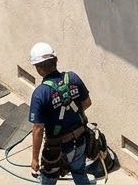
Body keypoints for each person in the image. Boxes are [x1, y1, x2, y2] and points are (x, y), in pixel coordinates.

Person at [28, 42, 93, 184]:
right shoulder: (73, 78)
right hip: (80, 140)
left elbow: (38, 129)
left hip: (56, 149)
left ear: (38, 68)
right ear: (55, 61)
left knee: (49, 180)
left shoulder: (40, 93)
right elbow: (87, 102)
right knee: (79, 172)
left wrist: (34, 159)